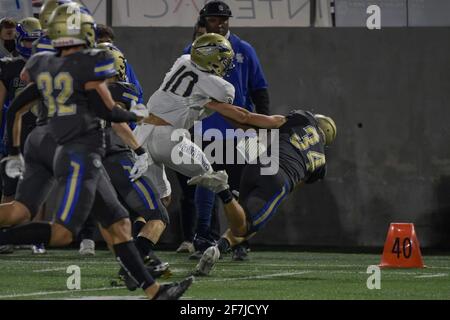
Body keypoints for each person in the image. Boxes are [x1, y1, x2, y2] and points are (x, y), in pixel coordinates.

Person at [0, 2, 193, 299]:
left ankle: (154, 292)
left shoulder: (42, 62)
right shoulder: (90, 64)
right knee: (64, 233)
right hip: (77, 148)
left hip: (41, 139)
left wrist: (14, 151)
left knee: (118, 223)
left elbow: (15, 108)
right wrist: (138, 115)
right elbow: (110, 112)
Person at [133, 33, 285, 258]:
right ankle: (210, 235)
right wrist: (277, 122)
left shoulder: (182, 62)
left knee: (159, 202)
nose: (226, 65)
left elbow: (200, 98)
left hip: (141, 135)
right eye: (223, 59)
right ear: (210, 57)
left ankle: (133, 253)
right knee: (211, 175)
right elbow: (241, 116)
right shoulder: (221, 87)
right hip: (169, 137)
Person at [188, 110, 337, 276]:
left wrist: (218, 106)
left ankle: (217, 249)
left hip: (256, 164)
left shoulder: (301, 119)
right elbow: (295, 183)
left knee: (242, 221)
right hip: (279, 178)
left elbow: (252, 120)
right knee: (245, 227)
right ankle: (223, 190)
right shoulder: (321, 163)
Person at [184, 1, 271, 261]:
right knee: (206, 184)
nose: (219, 23)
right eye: (213, 19)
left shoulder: (244, 49)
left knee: (244, 186)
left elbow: (259, 90)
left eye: (223, 19)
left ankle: (239, 239)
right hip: (206, 127)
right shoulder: (191, 51)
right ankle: (203, 238)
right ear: (203, 21)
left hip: (243, 129)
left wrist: (261, 126)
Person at [174, 17, 208, 254]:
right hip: (181, 130)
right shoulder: (185, 62)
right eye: (198, 37)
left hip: (212, 133)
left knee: (209, 185)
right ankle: (190, 238)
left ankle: (204, 238)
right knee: (188, 189)